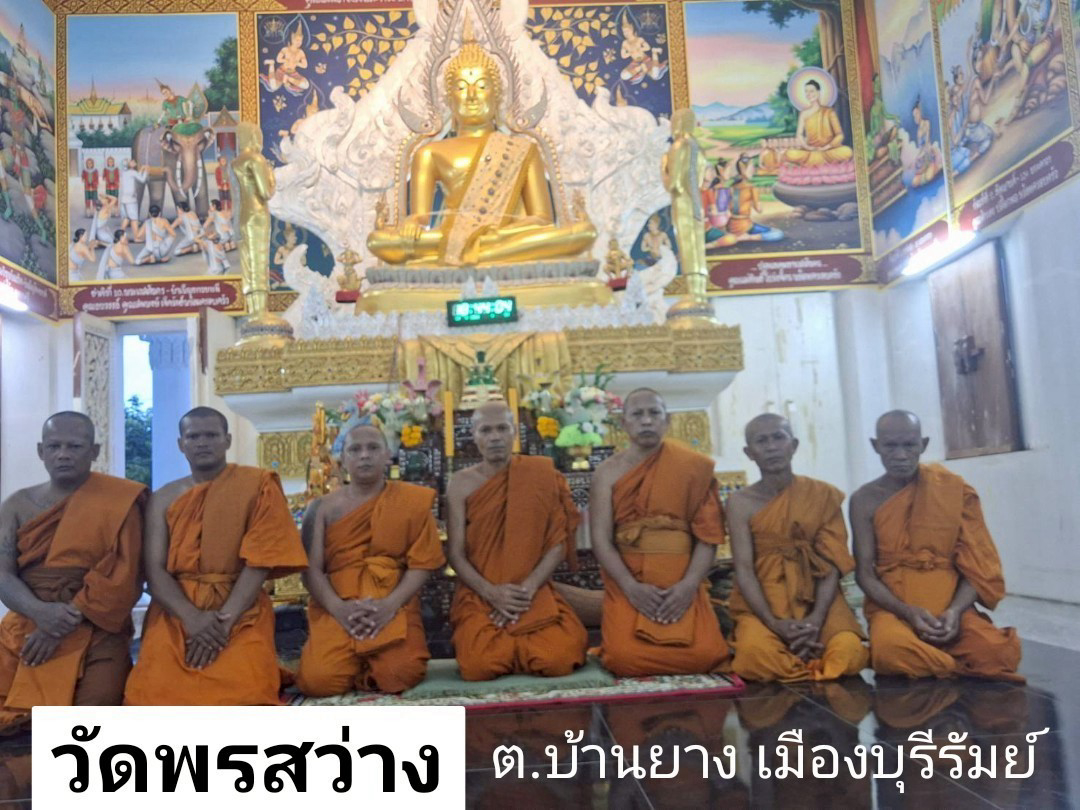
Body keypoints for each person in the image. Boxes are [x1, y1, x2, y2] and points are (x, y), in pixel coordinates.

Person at [124, 407, 308, 705]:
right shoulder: (163, 498)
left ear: (227, 440)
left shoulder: (257, 486)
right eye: (193, 436)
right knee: (153, 695)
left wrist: (223, 623)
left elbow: (260, 562)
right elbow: (155, 571)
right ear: (181, 444)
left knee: (245, 695)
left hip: (240, 608)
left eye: (211, 435)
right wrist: (192, 618)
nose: (202, 443)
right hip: (177, 610)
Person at [850, 410, 1023, 682]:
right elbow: (865, 574)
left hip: (949, 606)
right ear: (876, 446)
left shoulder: (953, 490)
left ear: (923, 444)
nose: (900, 455)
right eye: (890, 446)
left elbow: (977, 568)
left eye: (909, 445)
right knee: (890, 652)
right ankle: (955, 666)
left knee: (997, 653)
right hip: (894, 608)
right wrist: (906, 611)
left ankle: (935, 662)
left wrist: (955, 612)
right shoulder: (864, 500)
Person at [0, 413, 145, 731]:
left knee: (95, 715)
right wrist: (41, 613)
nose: (63, 454)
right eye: (54, 446)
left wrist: (57, 625)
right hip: (27, 625)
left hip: (97, 628)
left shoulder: (120, 502)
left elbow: (125, 575)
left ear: (94, 451)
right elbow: (3, 575)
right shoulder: (17, 505)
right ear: (41, 451)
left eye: (74, 446)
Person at [590, 388, 730, 676]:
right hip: (630, 578)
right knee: (623, 658)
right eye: (637, 414)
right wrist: (630, 587)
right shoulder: (606, 472)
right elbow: (601, 540)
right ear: (623, 423)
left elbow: (708, 537)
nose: (646, 420)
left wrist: (689, 586)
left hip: (681, 577)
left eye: (654, 413)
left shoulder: (693, 468)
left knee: (707, 655)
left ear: (667, 421)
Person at [295, 426, 444, 695]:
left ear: (388, 455)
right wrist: (339, 609)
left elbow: (422, 563)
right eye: (355, 449)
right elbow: (310, 570)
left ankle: (365, 669)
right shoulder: (322, 508)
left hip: (393, 602)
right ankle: (357, 666)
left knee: (401, 673)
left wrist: (389, 605)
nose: (364, 455)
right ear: (342, 460)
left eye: (373, 448)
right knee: (319, 680)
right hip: (338, 604)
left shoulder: (411, 501)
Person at [447, 402, 587, 680]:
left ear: (515, 432)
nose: (495, 437)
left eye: (502, 428)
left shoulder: (540, 474)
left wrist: (527, 589)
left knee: (559, 658)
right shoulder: (460, 484)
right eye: (486, 430)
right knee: (479, 665)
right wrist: (491, 593)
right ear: (474, 435)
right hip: (481, 594)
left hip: (531, 591)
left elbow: (557, 543)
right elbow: (455, 553)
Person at [727, 413, 868, 682]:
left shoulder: (822, 495)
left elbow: (830, 565)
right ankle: (809, 662)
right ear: (749, 453)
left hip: (818, 600)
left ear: (793, 445)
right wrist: (773, 623)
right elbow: (743, 569)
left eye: (778, 438)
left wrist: (816, 619)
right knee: (755, 657)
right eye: (761, 441)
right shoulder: (740, 503)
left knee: (849, 652)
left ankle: (801, 660)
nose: (771, 447)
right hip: (766, 601)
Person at [784, 79, 854, 167]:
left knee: (847, 151)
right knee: (789, 154)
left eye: (811, 91)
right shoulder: (804, 114)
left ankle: (814, 160)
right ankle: (820, 159)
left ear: (818, 92)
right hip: (811, 150)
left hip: (828, 150)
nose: (808, 94)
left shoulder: (829, 112)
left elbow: (839, 135)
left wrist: (827, 147)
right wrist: (808, 147)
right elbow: (799, 135)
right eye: (806, 91)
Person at [118, 159, 148, 238]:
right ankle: (136, 236)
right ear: (129, 165)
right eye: (132, 162)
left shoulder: (125, 173)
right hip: (131, 199)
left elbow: (137, 176)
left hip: (124, 199)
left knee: (127, 218)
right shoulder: (132, 172)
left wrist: (141, 170)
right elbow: (142, 179)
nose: (135, 162)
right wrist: (146, 171)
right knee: (134, 218)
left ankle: (119, 235)